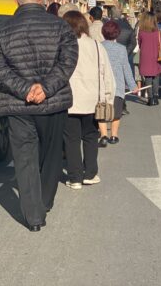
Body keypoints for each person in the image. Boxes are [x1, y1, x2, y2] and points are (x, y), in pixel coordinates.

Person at [0, 0, 79, 232]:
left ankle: (34, 216)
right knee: (51, 155)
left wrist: (23, 89)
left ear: (16, 0)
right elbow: (68, 61)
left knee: (24, 158)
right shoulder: (60, 26)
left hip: (18, 105)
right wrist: (45, 88)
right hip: (53, 103)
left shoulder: (0, 30)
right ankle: (45, 201)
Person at [61, 11, 114, 190]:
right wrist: (108, 97)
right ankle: (90, 173)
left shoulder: (62, 46)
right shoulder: (97, 46)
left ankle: (74, 177)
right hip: (93, 101)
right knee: (91, 136)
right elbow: (107, 75)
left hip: (69, 100)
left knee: (71, 139)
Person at [98, 20, 139, 146]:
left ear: (103, 33)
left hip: (102, 85)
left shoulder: (98, 46)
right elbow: (126, 68)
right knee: (116, 113)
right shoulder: (121, 49)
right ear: (117, 33)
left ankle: (103, 135)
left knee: (101, 111)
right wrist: (133, 85)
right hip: (117, 86)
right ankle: (114, 136)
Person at [138, 13, 161, 106]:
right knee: (156, 76)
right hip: (156, 55)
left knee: (148, 77)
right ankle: (156, 97)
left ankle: (150, 98)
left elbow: (139, 43)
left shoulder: (141, 32)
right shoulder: (158, 32)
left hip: (145, 55)